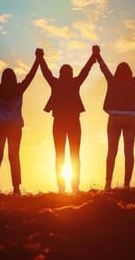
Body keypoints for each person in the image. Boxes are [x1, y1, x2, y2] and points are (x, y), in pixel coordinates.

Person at [0, 50, 40, 196]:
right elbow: (30, 75)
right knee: (14, 157)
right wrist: (37, 59)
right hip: (15, 127)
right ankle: (16, 188)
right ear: (14, 78)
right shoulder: (19, 88)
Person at [37, 47, 97, 193]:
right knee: (74, 154)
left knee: (59, 155)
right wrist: (93, 56)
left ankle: (62, 188)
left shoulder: (56, 83)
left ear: (60, 74)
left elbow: (46, 73)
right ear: (70, 74)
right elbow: (85, 71)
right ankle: (74, 187)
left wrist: (40, 58)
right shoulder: (74, 83)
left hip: (58, 122)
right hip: (73, 122)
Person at [94, 46, 135, 191]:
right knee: (129, 152)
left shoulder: (113, 81)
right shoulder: (132, 82)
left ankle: (108, 184)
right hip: (130, 118)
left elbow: (104, 69)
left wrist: (97, 56)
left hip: (114, 117)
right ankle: (126, 185)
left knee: (111, 151)